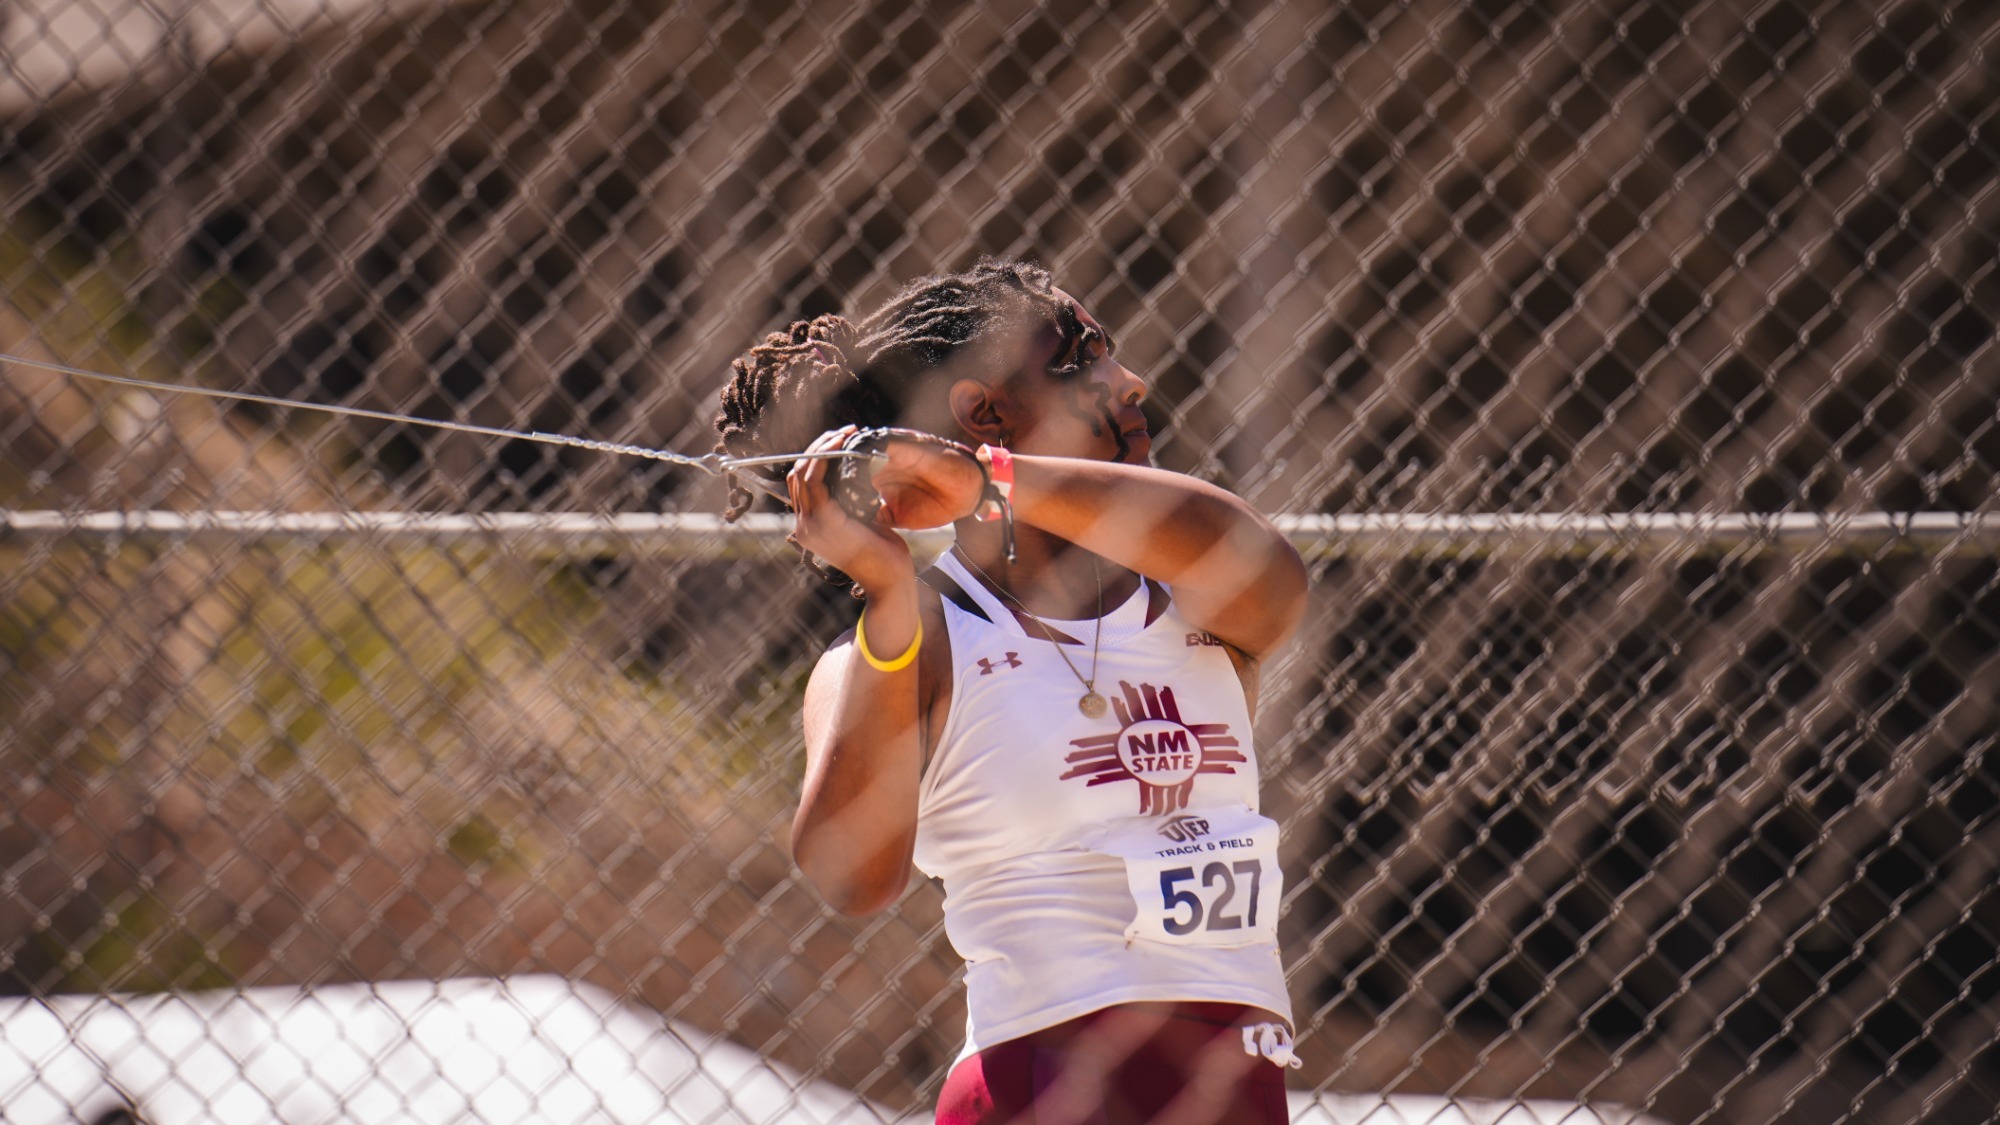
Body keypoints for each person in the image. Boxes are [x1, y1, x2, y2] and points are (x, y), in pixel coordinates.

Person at [714, 258, 1309, 1124]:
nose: (1129, 380)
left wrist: (991, 477)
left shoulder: (1192, 599)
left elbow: (1266, 565)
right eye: (1084, 359)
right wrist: (889, 594)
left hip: (1237, 1082)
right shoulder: (921, 638)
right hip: (1041, 1084)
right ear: (983, 411)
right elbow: (852, 875)